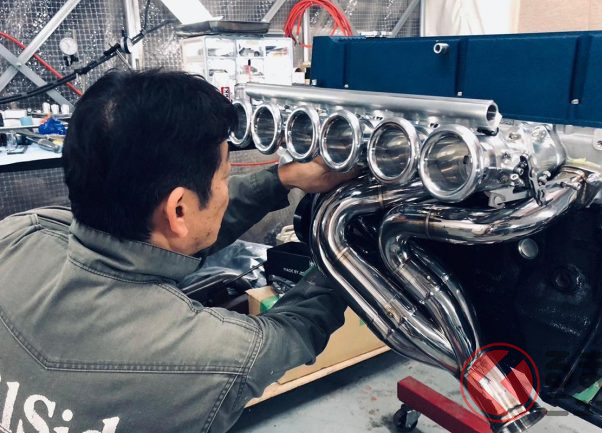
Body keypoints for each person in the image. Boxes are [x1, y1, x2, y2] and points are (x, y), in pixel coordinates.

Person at [0, 70, 356, 433]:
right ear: (179, 209)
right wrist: (348, 246)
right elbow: (300, 327)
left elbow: (169, 233)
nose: (224, 189)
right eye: (224, 178)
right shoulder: (214, 357)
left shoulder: (17, 234)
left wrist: (280, 180)